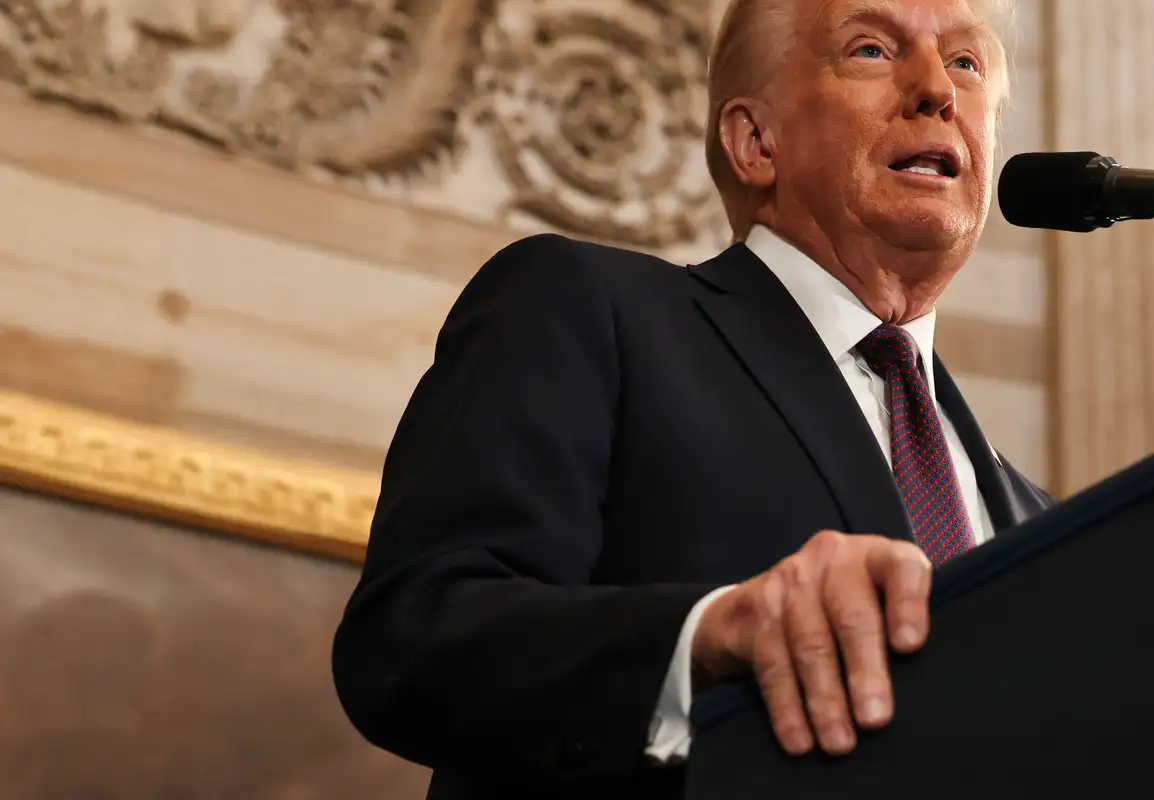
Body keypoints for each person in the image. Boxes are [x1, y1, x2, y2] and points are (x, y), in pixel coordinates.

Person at [331, 0, 1051, 796]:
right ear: (754, 141)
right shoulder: (591, 313)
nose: (936, 91)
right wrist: (703, 638)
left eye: (965, 63)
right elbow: (413, 637)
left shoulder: (1041, 519)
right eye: (872, 50)